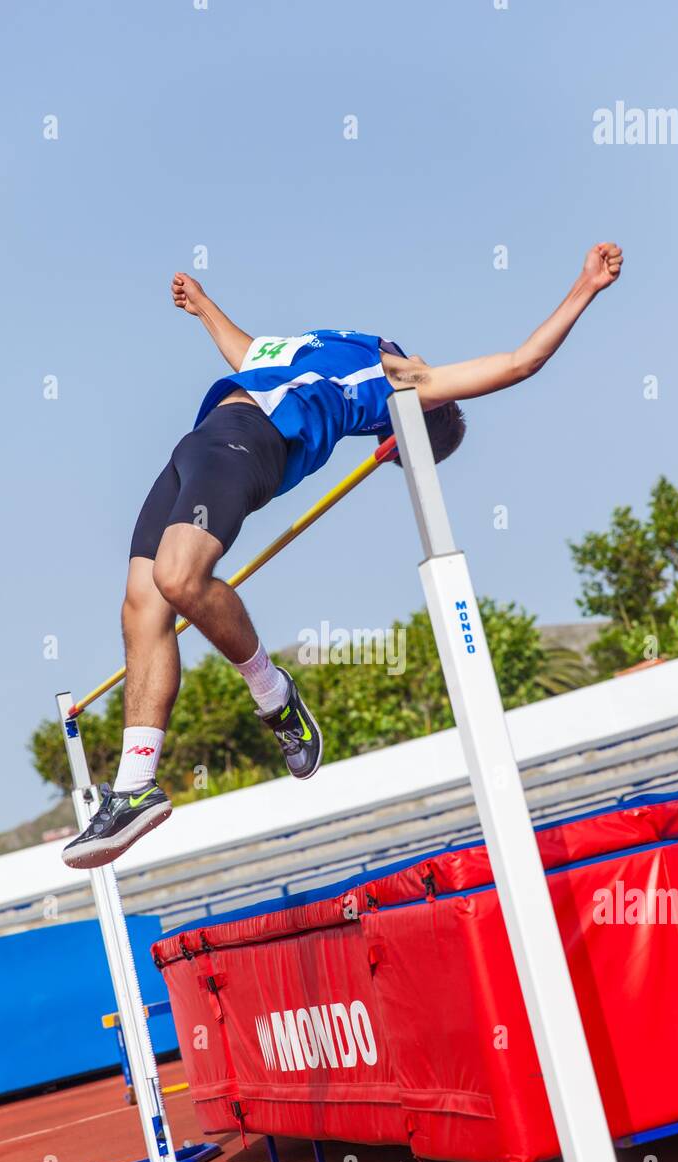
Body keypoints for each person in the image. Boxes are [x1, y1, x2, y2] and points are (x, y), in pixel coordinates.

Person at [62, 242, 623, 869]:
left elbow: (520, 362)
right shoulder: (339, 341)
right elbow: (250, 353)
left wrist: (585, 287)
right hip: (198, 441)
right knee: (141, 603)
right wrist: (204, 308)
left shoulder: (402, 380)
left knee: (178, 577)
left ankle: (274, 695)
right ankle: (136, 788)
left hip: (250, 442)